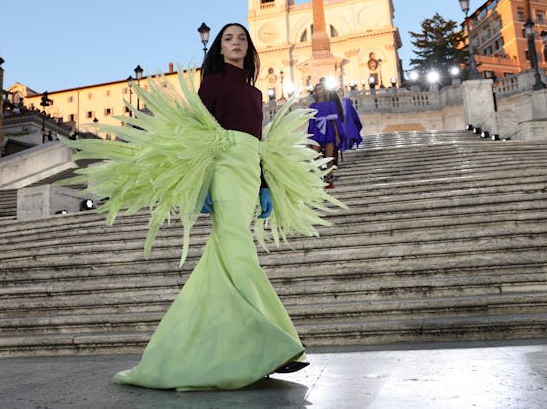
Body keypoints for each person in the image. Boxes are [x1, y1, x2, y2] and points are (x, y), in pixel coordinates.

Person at [61, 23, 344, 391]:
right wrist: (204, 182)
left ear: (249, 48)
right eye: (228, 39)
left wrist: (263, 186)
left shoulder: (255, 94)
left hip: (248, 172)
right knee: (240, 254)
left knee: (222, 261)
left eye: (241, 38)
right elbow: (197, 133)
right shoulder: (210, 84)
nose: (236, 43)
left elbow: (257, 142)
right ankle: (275, 342)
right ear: (219, 49)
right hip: (223, 169)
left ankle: (199, 351)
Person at [307, 82, 343, 188]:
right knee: (314, 156)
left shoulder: (330, 104)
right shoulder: (312, 106)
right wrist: (309, 137)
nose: (319, 91)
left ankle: (329, 178)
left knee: (329, 157)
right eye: (317, 89)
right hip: (316, 131)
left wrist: (337, 135)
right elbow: (311, 122)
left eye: (321, 89)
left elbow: (334, 120)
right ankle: (319, 177)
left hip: (329, 130)